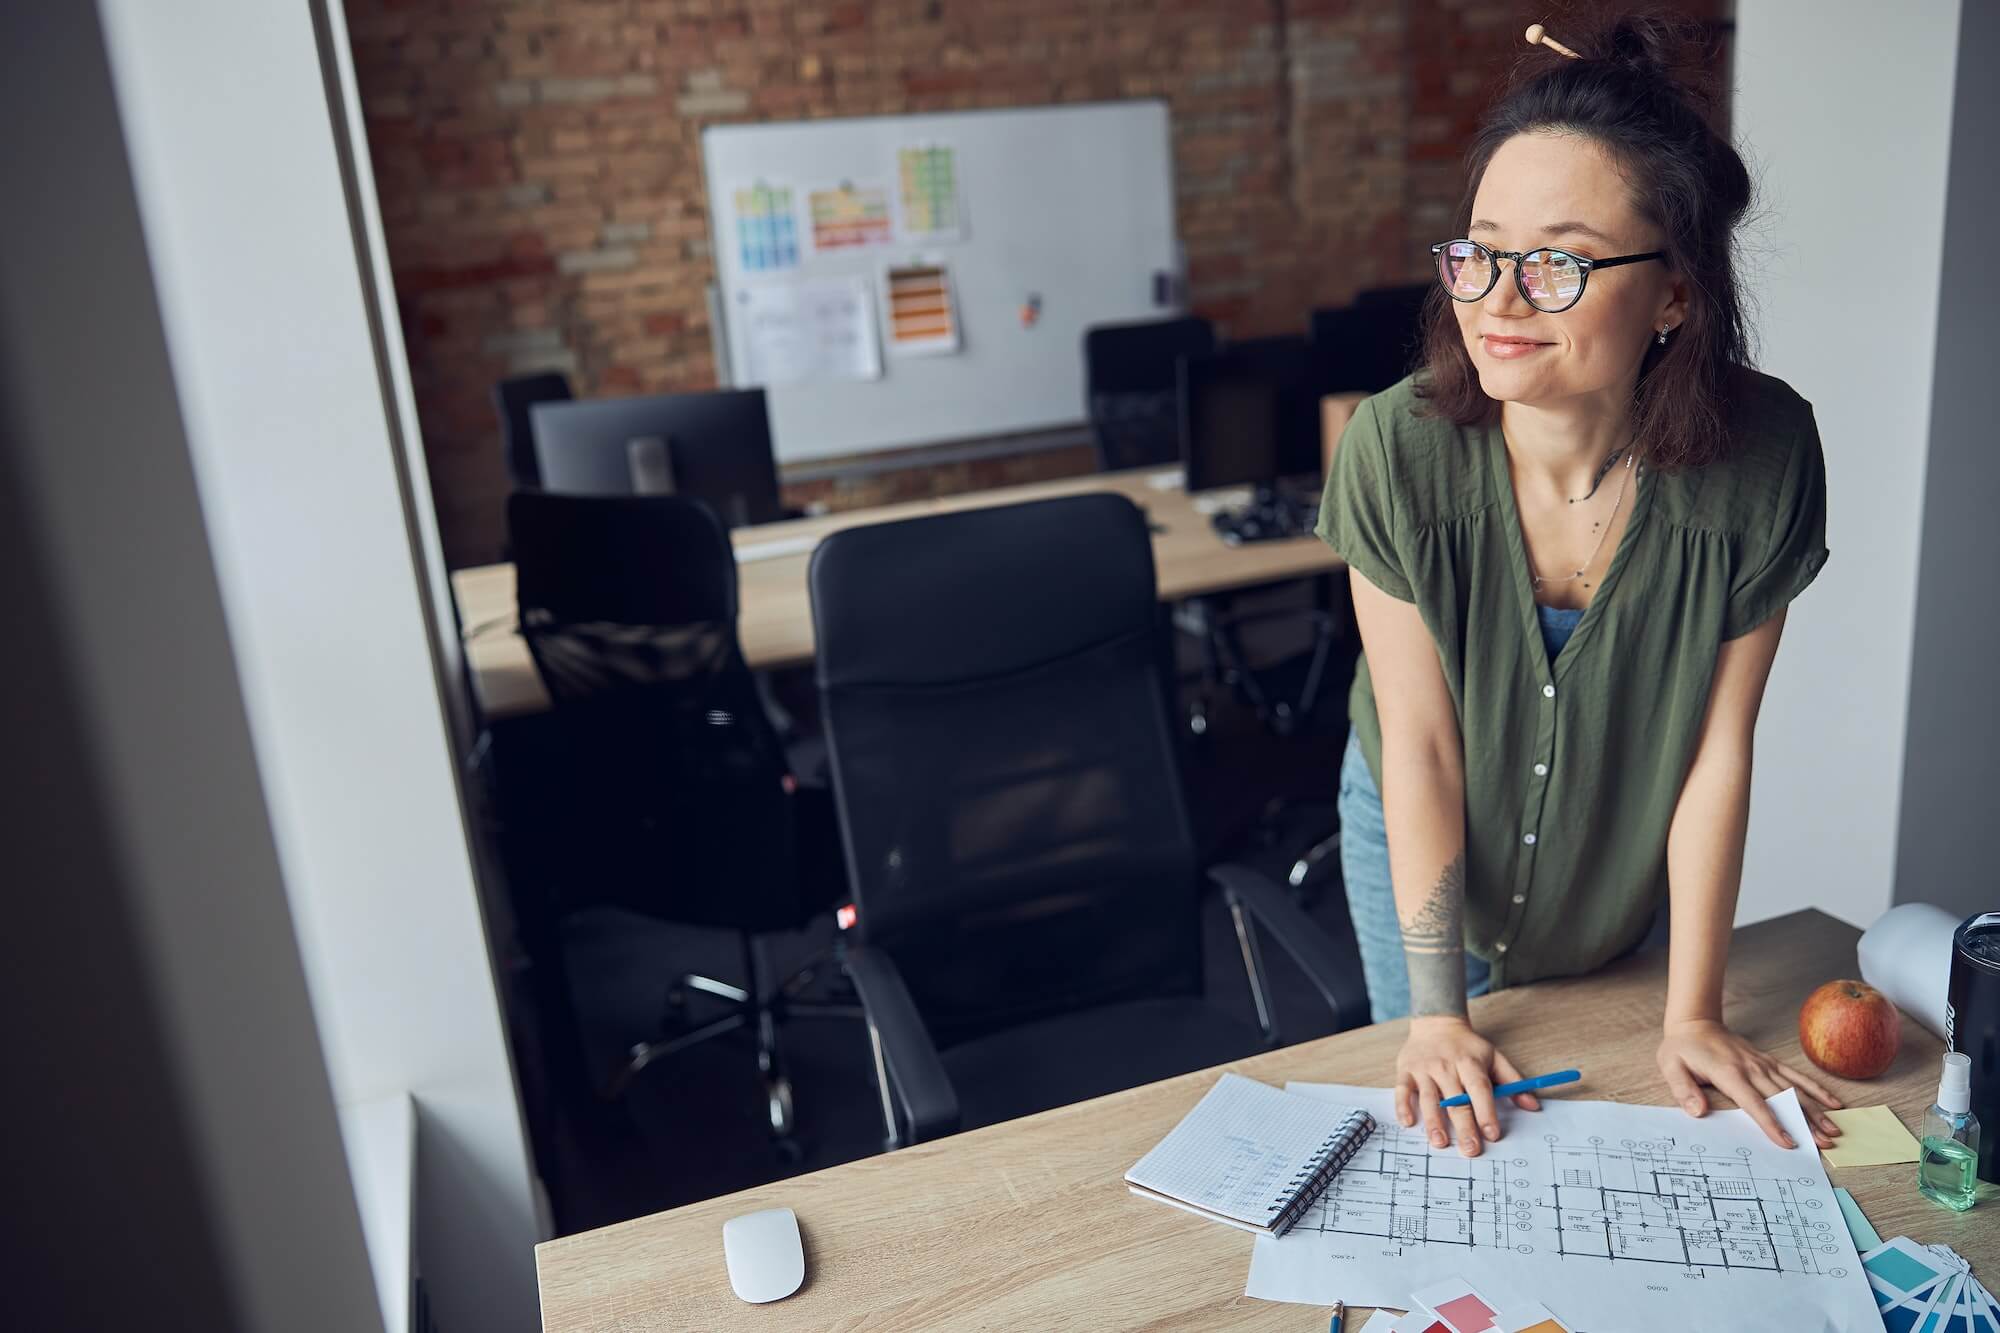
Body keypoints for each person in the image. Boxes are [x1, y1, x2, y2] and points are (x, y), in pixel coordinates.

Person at [1317, 13, 1846, 1159]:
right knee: (1446, 1123)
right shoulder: (1394, 452)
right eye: (1479, 250)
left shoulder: (1762, 460)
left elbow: (1714, 752)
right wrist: (1434, 1013)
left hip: (1619, 841)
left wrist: (1693, 1010)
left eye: (1555, 260)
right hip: (1420, 840)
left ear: (1672, 295)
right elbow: (1416, 745)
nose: (1499, 299)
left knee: (1606, 1103)